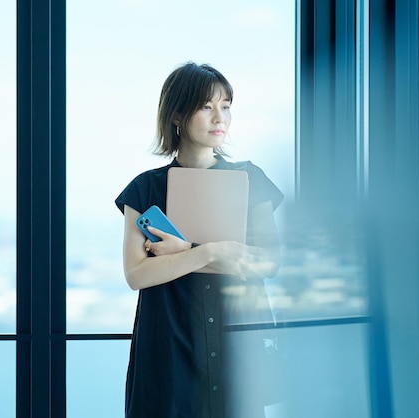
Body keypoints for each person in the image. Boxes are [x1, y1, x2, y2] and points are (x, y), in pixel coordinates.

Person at [115, 62, 285, 418]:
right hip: (169, 347)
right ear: (177, 114)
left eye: (225, 106)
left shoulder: (251, 180)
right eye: (206, 106)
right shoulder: (145, 188)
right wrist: (210, 251)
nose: (219, 117)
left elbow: (267, 262)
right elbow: (136, 275)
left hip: (234, 343)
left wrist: (184, 252)